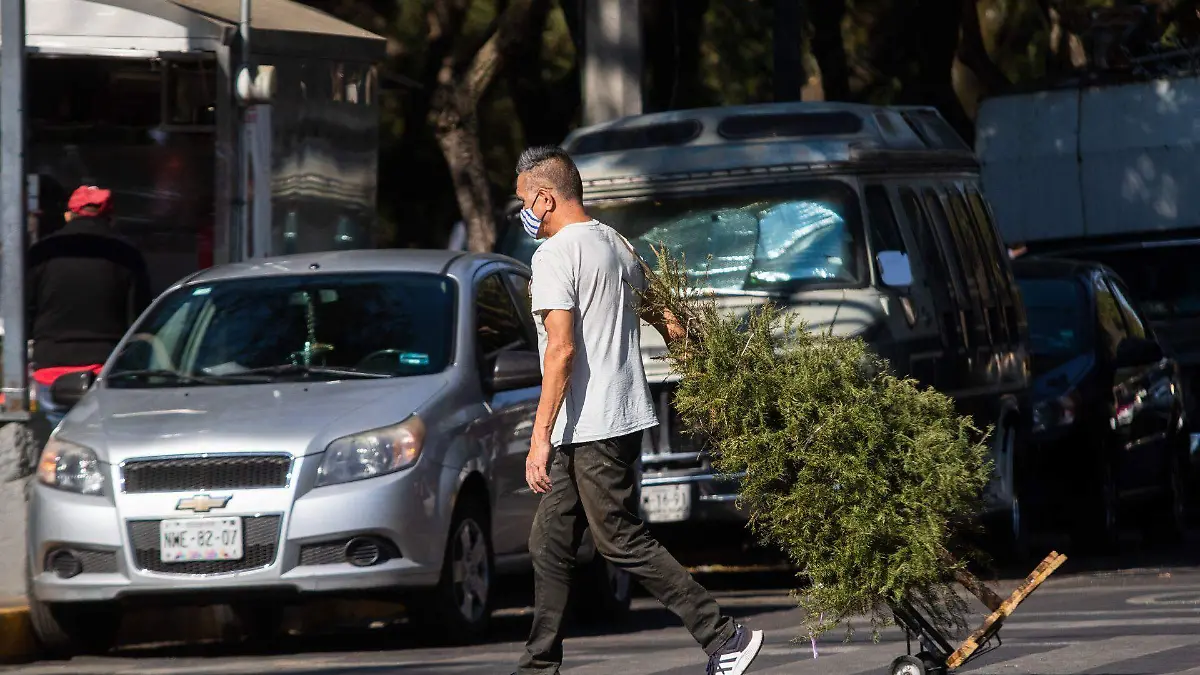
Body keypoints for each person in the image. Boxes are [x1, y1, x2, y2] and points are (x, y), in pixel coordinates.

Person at [512, 146, 764, 675]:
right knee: (550, 540)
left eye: (525, 203)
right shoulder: (615, 242)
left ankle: (726, 636)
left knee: (619, 539)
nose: (525, 215)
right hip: (608, 420)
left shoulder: (555, 255)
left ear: (543, 197)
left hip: (593, 425)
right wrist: (702, 367)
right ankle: (539, 666)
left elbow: (560, 350)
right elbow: (667, 315)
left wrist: (538, 438)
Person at [27, 185, 152, 426]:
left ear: (68, 215)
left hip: (52, 366)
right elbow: (138, 315)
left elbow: (26, 310)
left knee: (60, 437)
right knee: (101, 440)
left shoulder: (41, 252)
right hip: (104, 366)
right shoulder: (126, 254)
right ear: (110, 218)